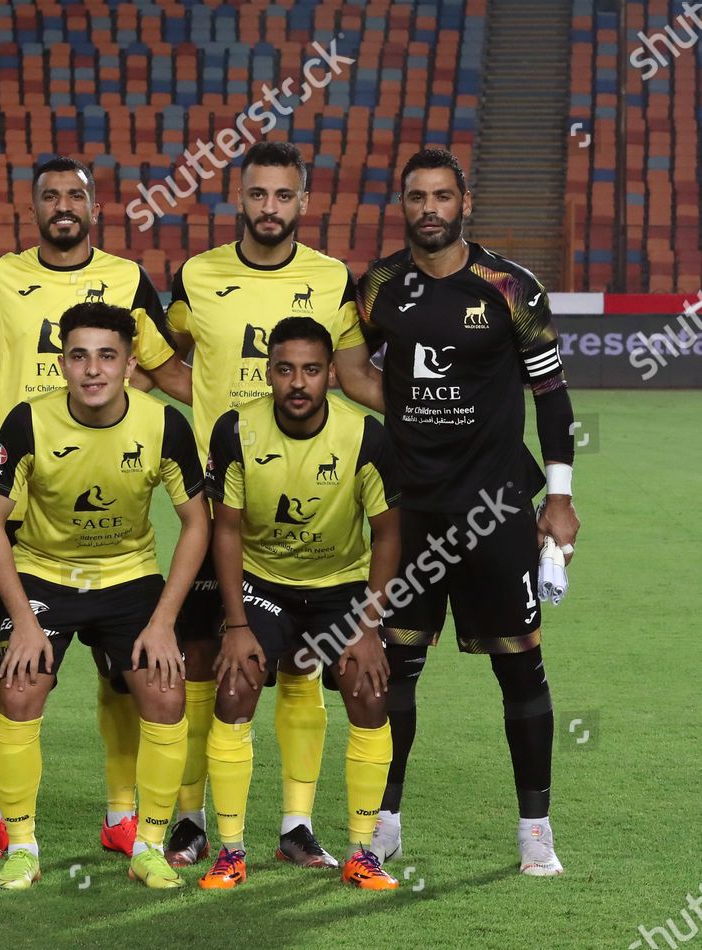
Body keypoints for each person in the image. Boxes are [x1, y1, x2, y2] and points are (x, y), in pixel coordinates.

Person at [0, 156, 194, 863]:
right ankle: (5, 817)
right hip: (29, 506)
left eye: (76, 195)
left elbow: (158, 366)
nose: (64, 204)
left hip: (113, 532)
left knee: (122, 678)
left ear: (95, 207)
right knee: (11, 664)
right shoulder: (0, 276)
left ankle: (125, 817)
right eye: (51, 195)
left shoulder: (128, 281)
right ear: (31, 207)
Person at [356, 147, 579, 875]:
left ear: (465, 202)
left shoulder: (511, 286)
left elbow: (551, 396)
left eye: (441, 196)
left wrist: (561, 496)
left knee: (520, 668)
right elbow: (352, 366)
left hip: (496, 511)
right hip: (409, 512)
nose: (429, 209)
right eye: (416, 197)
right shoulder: (380, 286)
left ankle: (535, 832)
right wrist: (406, 416)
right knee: (397, 669)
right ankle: (383, 821)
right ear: (404, 205)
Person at [163, 140, 384, 869]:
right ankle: (193, 820)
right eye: (257, 194)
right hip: (220, 493)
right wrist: (197, 420)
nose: (269, 208)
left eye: (282, 196)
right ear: (239, 197)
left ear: (303, 201)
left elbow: (350, 373)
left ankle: (295, 828)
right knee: (207, 658)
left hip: (312, 487)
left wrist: (435, 419)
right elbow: (160, 355)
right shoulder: (196, 274)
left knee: (303, 668)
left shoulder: (330, 278)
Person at [0, 302, 209, 890]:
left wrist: (163, 621)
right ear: (62, 364)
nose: (93, 369)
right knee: (20, 684)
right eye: (79, 356)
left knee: (164, 687)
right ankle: (22, 846)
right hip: (44, 571)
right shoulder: (28, 421)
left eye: (107, 356)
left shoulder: (163, 425)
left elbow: (198, 524)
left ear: (130, 364)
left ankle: (149, 845)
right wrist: (23, 621)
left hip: (127, 575)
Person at [201, 317, 400, 891]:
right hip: (263, 581)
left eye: (311, 370)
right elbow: (228, 529)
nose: (298, 382)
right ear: (267, 372)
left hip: (338, 585)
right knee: (235, 681)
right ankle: (232, 850)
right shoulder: (236, 430)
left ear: (331, 374)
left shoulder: (365, 436)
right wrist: (236, 622)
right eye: (285, 369)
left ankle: (363, 851)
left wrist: (368, 625)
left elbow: (387, 533)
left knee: (368, 685)